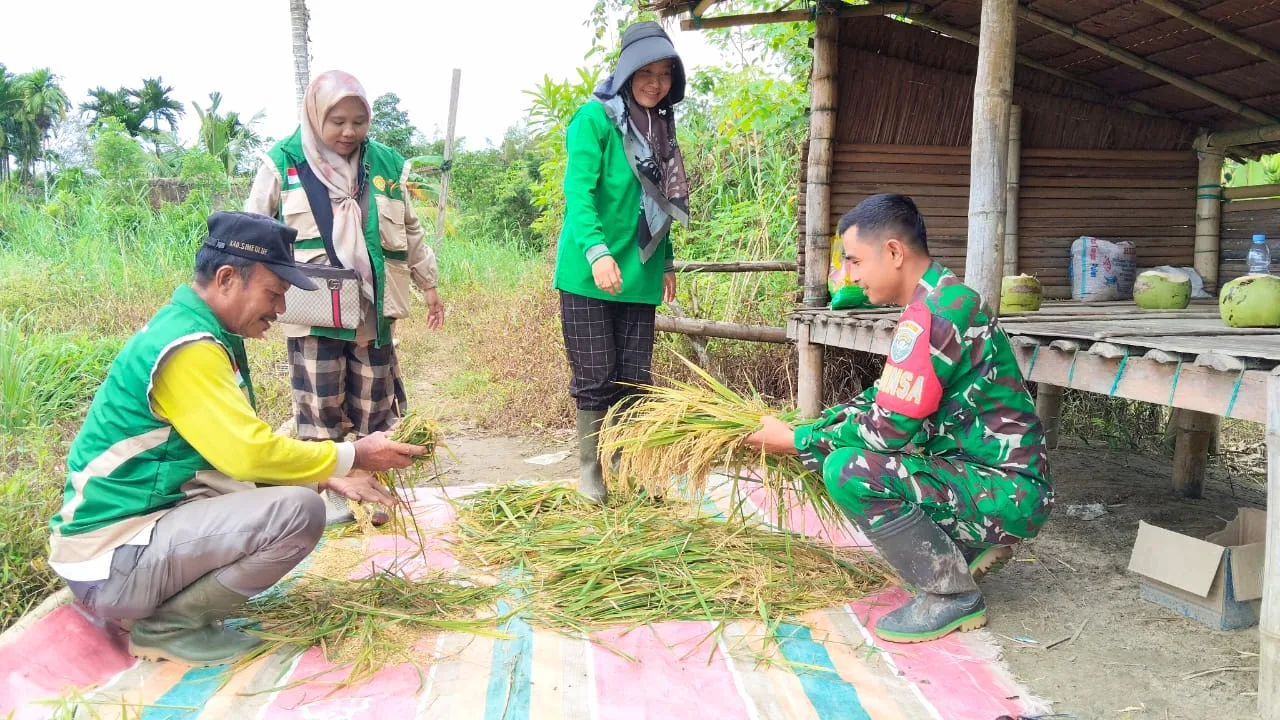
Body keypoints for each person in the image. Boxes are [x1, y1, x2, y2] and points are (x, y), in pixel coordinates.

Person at [47, 212, 426, 667]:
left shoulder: (194, 330)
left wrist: (326, 475)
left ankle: (163, 611)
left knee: (297, 497)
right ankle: (169, 627)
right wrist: (354, 454)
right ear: (227, 279)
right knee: (299, 514)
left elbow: (227, 455)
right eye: (274, 293)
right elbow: (247, 455)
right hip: (113, 559)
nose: (280, 310)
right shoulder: (188, 348)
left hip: (126, 545)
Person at [745, 194, 1053, 643]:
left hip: (1008, 492)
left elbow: (886, 431)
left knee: (847, 468)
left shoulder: (932, 316)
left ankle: (952, 596)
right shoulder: (943, 297)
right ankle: (966, 545)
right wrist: (815, 425)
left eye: (855, 261)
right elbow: (882, 397)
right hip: (997, 479)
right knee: (846, 449)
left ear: (893, 252)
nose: (850, 276)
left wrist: (798, 442)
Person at [245, 70, 444, 525]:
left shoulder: (386, 164)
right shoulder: (283, 162)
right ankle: (332, 492)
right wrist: (256, 298)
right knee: (320, 404)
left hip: (373, 309)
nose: (349, 132)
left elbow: (410, 230)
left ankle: (375, 489)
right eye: (337, 121)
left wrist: (429, 285)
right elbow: (254, 230)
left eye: (359, 121)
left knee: (376, 402)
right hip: (313, 306)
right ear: (316, 116)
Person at [554, 21, 690, 503]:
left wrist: (666, 260)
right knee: (595, 376)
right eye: (645, 73)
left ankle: (624, 465)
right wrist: (597, 253)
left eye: (665, 74)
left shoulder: (661, 128)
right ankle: (590, 471)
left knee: (634, 379)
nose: (655, 83)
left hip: (640, 268)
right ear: (627, 72)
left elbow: (659, 201)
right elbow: (579, 193)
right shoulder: (593, 119)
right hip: (589, 270)